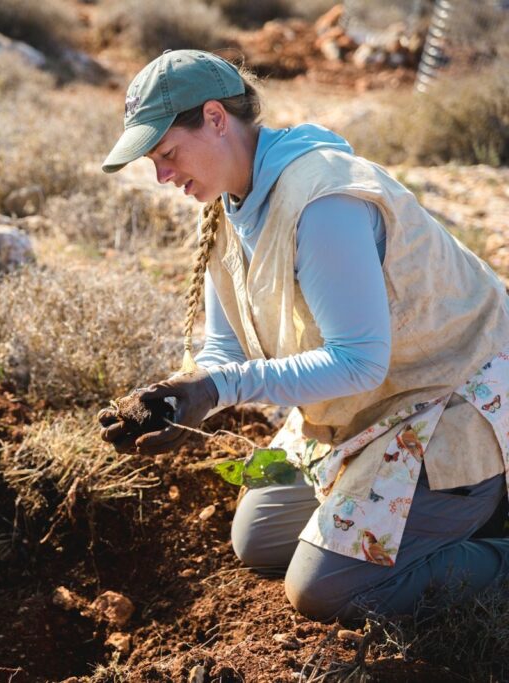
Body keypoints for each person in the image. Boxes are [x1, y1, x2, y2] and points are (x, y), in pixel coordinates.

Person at [97, 49, 509, 624]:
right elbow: (226, 349)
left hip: (443, 406)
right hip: (363, 413)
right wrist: (183, 395)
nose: (163, 176)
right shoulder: (225, 204)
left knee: (325, 590)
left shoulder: (322, 202)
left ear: (216, 118)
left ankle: (485, 531)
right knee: (260, 539)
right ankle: (435, 518)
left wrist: (218, 390)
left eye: (167, 153)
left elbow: (360, 361)